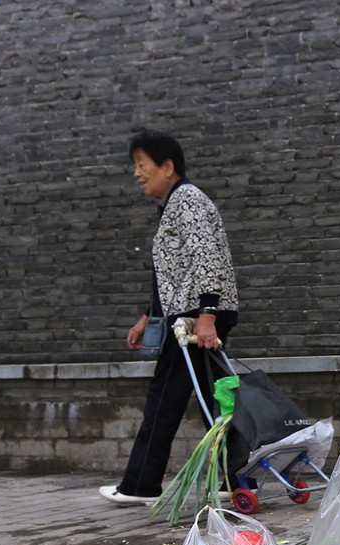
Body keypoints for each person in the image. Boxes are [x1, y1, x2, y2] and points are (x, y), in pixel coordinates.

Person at [100, 131, 241, 505]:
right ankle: (235, 479)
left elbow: (205, 257)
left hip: (196, 318)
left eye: (141, 164)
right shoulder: (176, 204)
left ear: (167, 166)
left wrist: (207, 315)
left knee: (165, 400)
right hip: (192, 315)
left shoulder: (187, 200)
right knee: (214, 399)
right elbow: (177, 273)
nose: (137, 173)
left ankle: (141, 485)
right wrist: (149, 316)